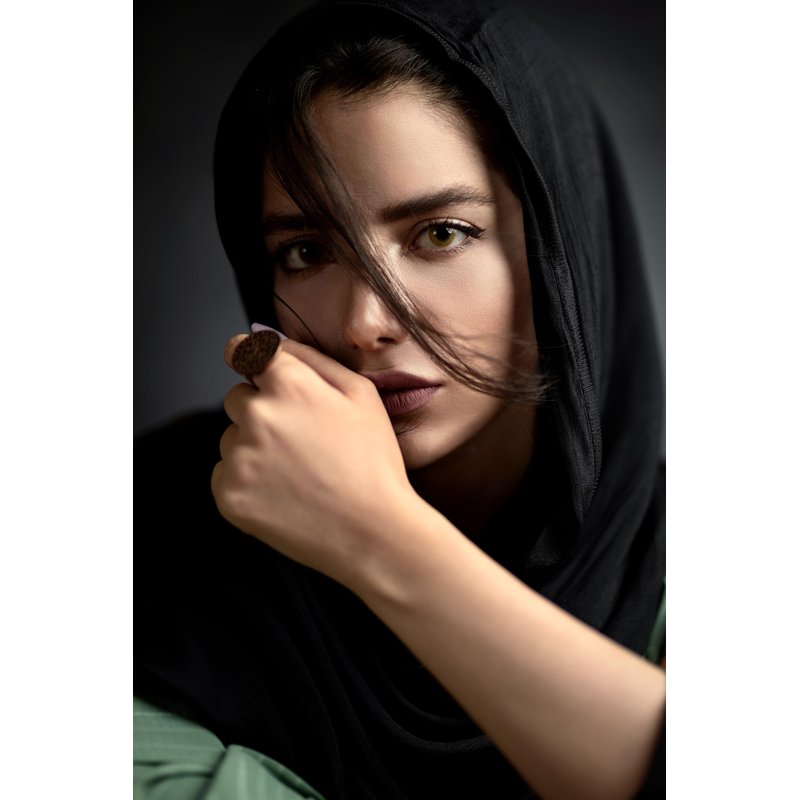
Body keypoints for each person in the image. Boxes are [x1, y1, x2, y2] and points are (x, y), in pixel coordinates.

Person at [134, 0, 666, 798]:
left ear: (561, 246)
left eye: (440, 233)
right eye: (305, 251)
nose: (363, 322)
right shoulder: (145, 527)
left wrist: (375, 533)